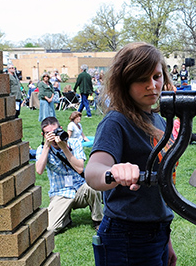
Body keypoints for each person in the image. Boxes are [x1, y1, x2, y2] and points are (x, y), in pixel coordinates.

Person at [85, 42, 177, 266]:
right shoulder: (116, 122)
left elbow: (158, 191)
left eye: (156, 76)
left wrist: (166, 239)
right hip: (126, 238)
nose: (152, 85)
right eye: (141, 79)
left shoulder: (156, 120)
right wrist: (114, 172)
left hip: (156, 232)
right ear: (124, 82)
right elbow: (93, 171)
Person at [35, 117, 103, 233]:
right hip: (61, 193)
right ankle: (65, 219)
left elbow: (80, 168)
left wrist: (64, 148)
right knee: (51, 228)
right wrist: (47, 146)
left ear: (61, 129)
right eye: (48, 133)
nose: (53, 136)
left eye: (55, 131)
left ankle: (98, 219)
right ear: (43, 135)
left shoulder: (75, 143)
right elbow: (39, 170)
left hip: (80, 189)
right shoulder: (42, 149)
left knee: (92, 187)